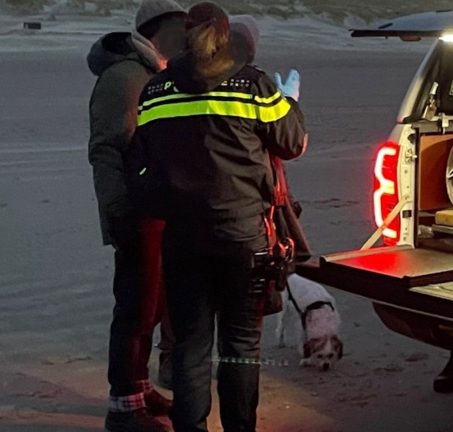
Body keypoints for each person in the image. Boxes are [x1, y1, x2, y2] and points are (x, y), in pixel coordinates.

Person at [126, 2, 308, 431]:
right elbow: (294, 143)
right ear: (226, 37)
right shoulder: (255, 87)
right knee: (241, 345)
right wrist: (289, 102)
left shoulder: (156, 91)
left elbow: (139, 160)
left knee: (190, 344)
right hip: (245, 237)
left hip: (183, 238)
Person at [86, 1, 186, 430]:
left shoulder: (153, 73)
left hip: (154, 206)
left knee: (153, 302)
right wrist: (118, 210)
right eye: (181, 27)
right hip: (135, 209)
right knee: (135, 304)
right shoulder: (126, 77)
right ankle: (123, 406)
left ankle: (138, 386)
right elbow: (106, 149)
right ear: (158, 29)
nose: (187, 35)